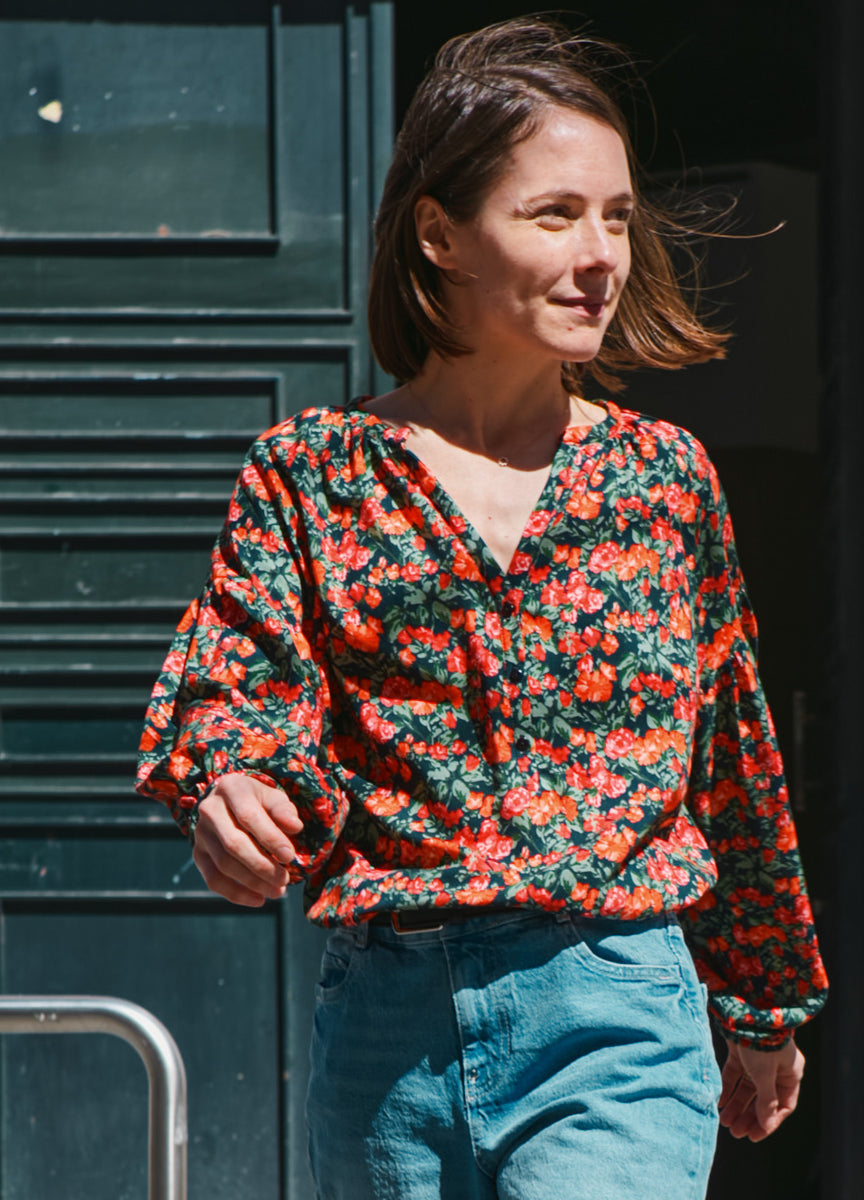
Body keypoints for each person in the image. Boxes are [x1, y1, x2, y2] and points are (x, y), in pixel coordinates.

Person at [136, 16, 827, 1200]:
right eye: (555, 214)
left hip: (615, 1009)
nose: (602, 251)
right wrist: (237, 782)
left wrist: (762, 998)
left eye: (616, 215)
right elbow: (239, 688)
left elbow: (735, 759)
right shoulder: (311, 472)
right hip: (384, 1030)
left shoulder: (663, 481)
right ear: (441, 235)